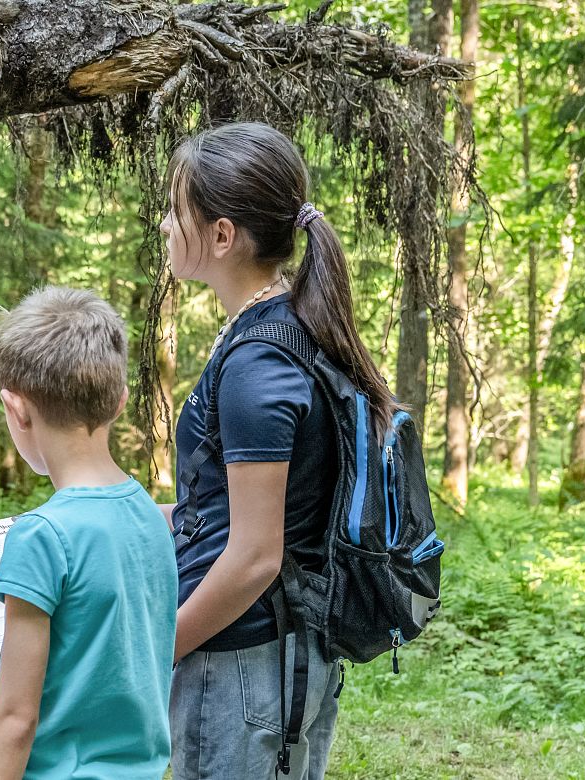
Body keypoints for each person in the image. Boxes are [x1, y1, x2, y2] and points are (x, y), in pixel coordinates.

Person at [163, 123, 398, 778]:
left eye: (174, 210)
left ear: (220, 234)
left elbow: (256, 555)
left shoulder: (259, 361)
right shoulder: (295, 325)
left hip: (242, 662)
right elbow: (249, 509)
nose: (164, 226)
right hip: (291, 650)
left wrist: (157, 646)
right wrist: (127, 513)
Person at [0, 287, 180, 780]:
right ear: (119, 402)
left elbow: (15, 718)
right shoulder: (150, 517)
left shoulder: (41, 536)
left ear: (16, 409)